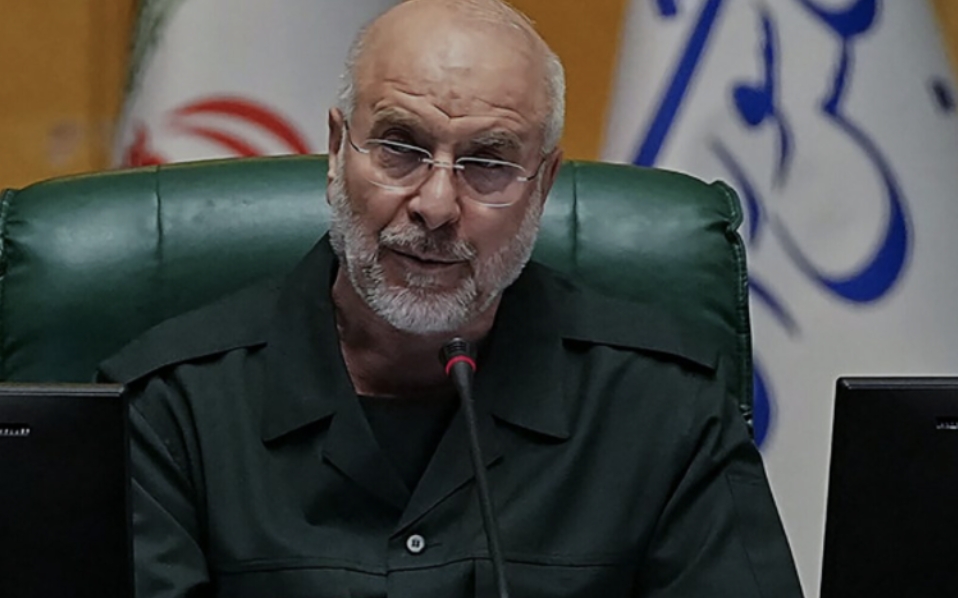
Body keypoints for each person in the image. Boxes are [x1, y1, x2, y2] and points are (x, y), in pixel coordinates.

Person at [98, 0, 805, 596]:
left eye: (488, 163)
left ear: (543, 186)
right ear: (337, 153)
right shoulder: (167, 410)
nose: (436, 205)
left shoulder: (665, 407)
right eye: (400, 147)